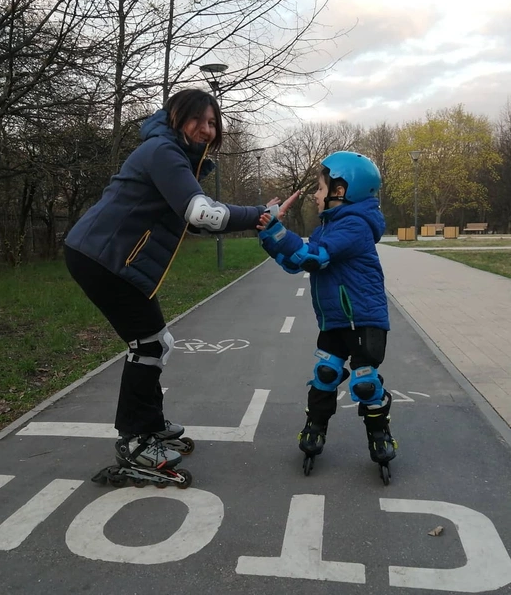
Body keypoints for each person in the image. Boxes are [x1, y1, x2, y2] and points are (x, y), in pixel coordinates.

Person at [64, 88, 280, 480]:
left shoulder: (172, 154)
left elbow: (191, 221)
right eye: (199, 119)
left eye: (213, 123)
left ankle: (148, 425)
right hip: (104, 257)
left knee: (154, 342)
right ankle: (135, 441)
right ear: (177, 116)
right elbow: (203, 213)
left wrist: (253, 216)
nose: (207, 129)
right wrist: (258, 215)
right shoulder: (163, 152)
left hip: (111, 257)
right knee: (148, 344)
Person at [257, 151, 397, 473]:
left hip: (364, 321)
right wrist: (268, 235)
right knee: (325, 375)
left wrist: (278, 231)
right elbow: (297, 263)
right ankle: (315, 429)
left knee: (365, 383)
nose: (315, 196)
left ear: (340, 190)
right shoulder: (326, 227)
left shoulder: (354, 226)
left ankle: (380, 434)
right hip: (335, 320)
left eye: (320, 189)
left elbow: (315, 257)